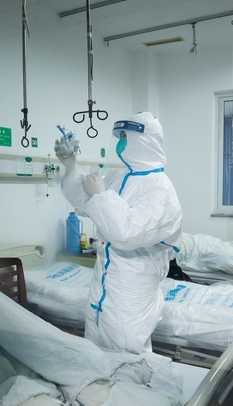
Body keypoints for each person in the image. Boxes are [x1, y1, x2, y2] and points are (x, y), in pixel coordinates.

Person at [54, 111, 183, 354]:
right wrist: (71, 165)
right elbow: (85, 203)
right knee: (96, 346)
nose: (121, 142)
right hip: (103, 280)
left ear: (143, 141)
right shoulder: (119, 177)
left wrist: (101, 195)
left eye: (125, 136)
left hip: (132, 287)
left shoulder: (160, 188)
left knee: (127, 351)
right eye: (120, 136)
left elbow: (128, 234)